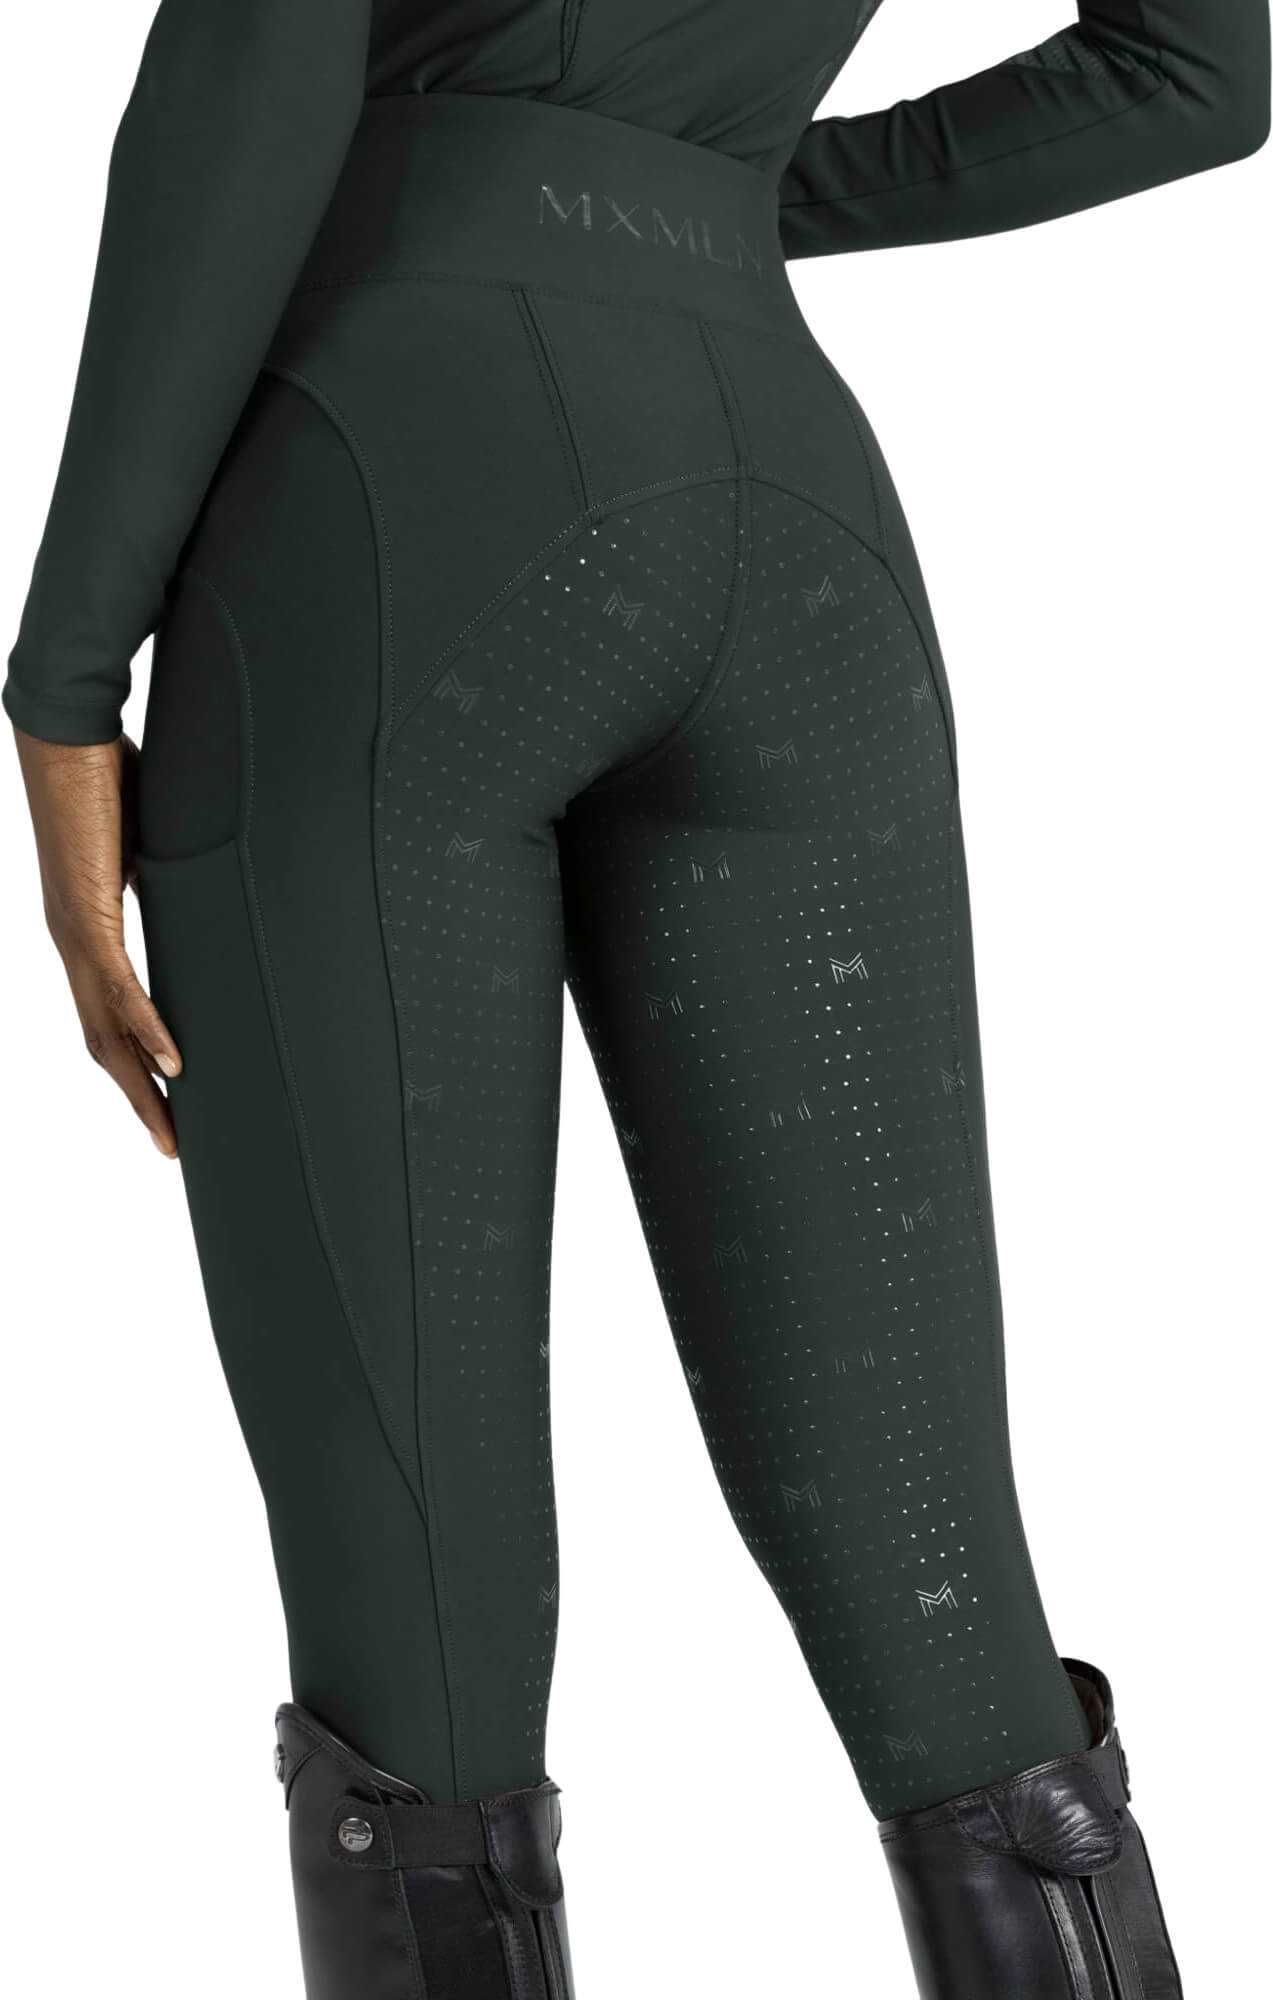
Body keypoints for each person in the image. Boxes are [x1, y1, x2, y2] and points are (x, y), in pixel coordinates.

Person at [6, 5, 1268, 1996]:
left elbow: (261, 65)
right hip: (790, 514)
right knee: (925, 1551)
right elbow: (1203, 72)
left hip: (392, 501)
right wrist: (727, 182)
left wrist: (69, 676)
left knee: (414, 1579)